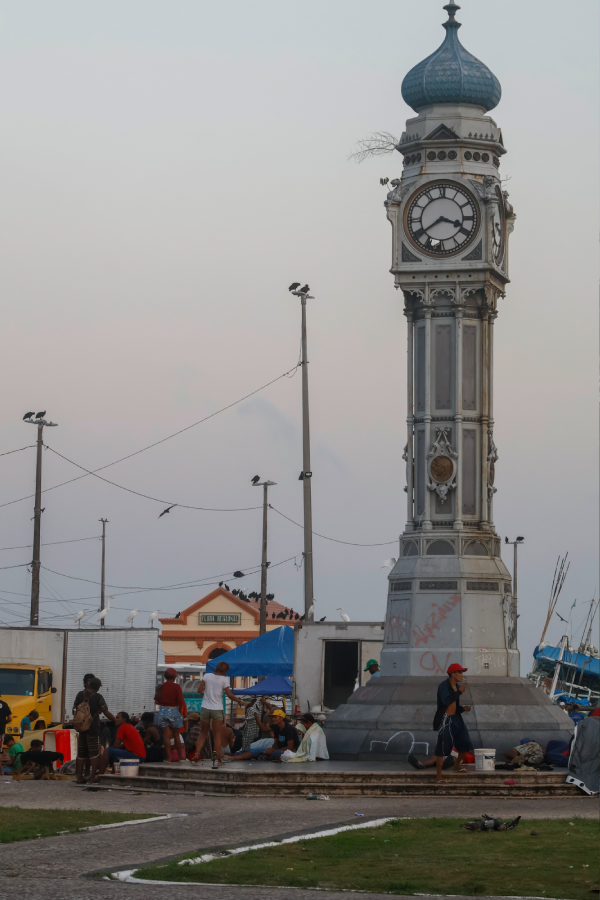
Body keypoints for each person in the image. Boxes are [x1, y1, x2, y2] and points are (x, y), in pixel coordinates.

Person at [193, 661, 240, 765]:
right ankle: (217, 760)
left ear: (216, 667)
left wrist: (205, 692)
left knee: (203, 733)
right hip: (217, 709)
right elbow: (229, 694)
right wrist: (239, 701)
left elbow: (199, 690)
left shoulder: (207, 676)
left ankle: (197, 754)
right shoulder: (224, 679)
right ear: (226, 670)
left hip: (205, 708)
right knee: (217, 735)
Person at [433, 663, 473, 783]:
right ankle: (439, 776)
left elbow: (454, 705)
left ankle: (456, 765)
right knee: (442, 747)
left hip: (456, 718)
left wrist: (463, 709)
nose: (462, 675)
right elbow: (446, 701)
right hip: (445, 719)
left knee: (466, 742)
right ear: (453, 674)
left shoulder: (457, 686)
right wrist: (459, 692)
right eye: (460, 672)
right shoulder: (444, 686)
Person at [73, 676, 115, 784]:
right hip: (93, 728)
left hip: (81, 728)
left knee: (81, 754)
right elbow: (106, 712)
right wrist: (115, 720)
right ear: (97, 687)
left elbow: (74, 708)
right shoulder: (98, 697)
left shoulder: (80, 694)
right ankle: (92, 777)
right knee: (94, 754)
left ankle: (79, 776)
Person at [154, 667, 185, 763]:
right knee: (176, 735)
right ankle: (180, 757)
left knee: (166, 735)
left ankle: (169, 757)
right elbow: (181, 702)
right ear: (174, 677)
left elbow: (156, 701)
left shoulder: (160, 687)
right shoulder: (176, 687)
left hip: (162, 711)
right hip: (173, 710)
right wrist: (179, 711)